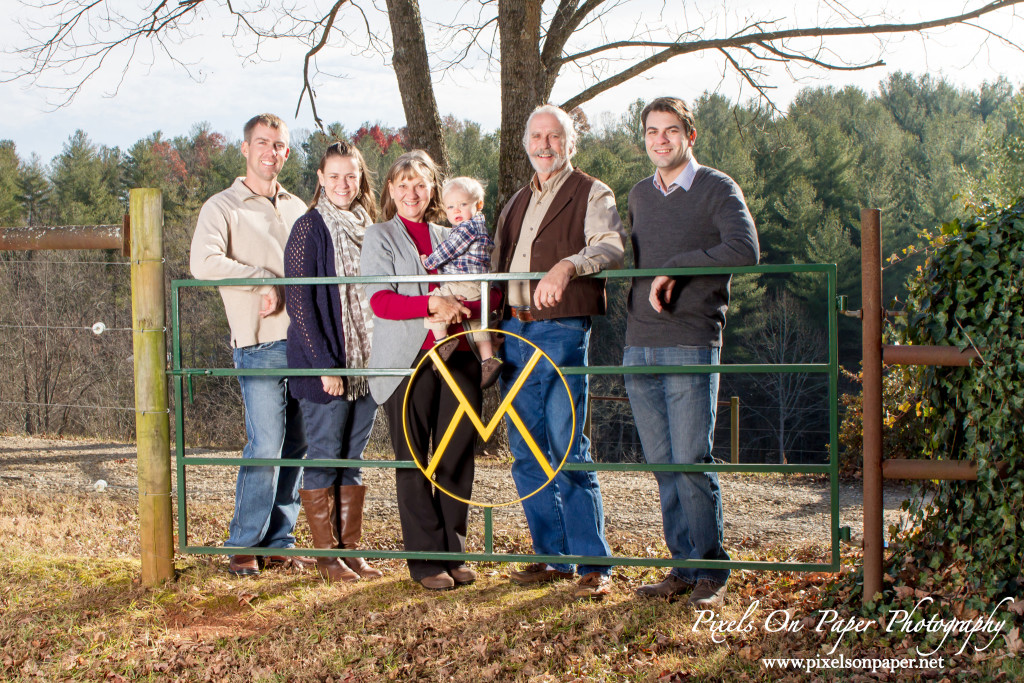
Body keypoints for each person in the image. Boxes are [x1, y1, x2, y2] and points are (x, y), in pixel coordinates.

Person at [624, 96, 759, 607]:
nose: (661, 139)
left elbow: (745, 250)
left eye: (670, 130)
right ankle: (681, 567)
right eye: (652, 131)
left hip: (691, 340)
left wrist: (679, 266)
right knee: (661, 462)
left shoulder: (716, 188)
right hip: (639, 343)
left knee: (690, 458)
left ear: (690, 136)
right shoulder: (638, 194)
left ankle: (711, 570)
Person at [492, 104, 626, 601]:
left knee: (568, 444)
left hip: (562, 329)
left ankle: (593, 563)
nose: (544, 145)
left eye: (554, 137)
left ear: (571, 144)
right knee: (526, 450)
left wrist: (568, 266)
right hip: (514, 331)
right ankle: (551, 557)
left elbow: (610, 245)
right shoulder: (515, 201)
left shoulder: (591, 191)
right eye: (536, 136)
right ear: (527, 141)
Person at [190, 113, 310, 577]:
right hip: (258, 342)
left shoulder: (298, 206)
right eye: (263, 143)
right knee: (266, 444)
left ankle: (281, 539)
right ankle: (242, 543)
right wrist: (261, 279)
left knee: (297, 444)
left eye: (279, 145)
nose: (271, 152)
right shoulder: (222, 206)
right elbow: (203, 262)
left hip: (303, 342)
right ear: (245, 148)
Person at [360, 151, 486, 591]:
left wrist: (461, 307)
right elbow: (381, 301)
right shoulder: (379, 236)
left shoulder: (454, 232)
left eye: (420, 184)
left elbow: (476, 290)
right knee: (413, 457)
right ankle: (425, 560)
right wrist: (431, 303)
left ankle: (454, 552)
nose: (411, 193)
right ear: (390, 192)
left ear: (432, 188)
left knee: (455, 452)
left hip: (458, 352)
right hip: (406, 360)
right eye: (402, 185)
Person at [283, 140, 384, 583]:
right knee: (324, 454)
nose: (344, 184)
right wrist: (326, 366)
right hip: (327, 366)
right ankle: (327, 557)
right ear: (321, 179)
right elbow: (300, 303)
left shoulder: (370, 227)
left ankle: (350, 550)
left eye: (352, 175)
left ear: (360, 179)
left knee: (353, 456)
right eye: (335, 175)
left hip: (366, 363)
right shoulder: (309, 228)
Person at [420, 176, 502, 388]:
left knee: (433, 301)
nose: (456, 211)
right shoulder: (480, 227)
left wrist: (429, 261)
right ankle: (487, 361)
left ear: (478, 205)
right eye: (451, 207)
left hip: (462, 283)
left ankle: (442, 343)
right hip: (478, 286)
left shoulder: (466, 229)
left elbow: (448, 250)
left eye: (463, 205)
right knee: (478, 324)